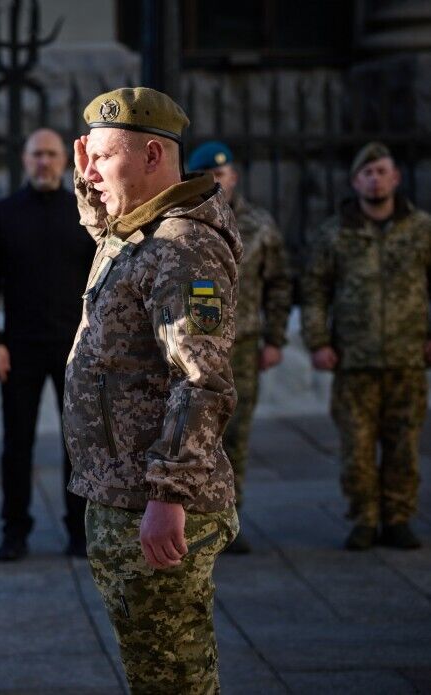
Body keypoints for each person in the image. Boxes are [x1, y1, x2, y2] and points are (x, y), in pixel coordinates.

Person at [66, 87, 242, 693]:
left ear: (149, 156)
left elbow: (202, 381)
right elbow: (109, 235)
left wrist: (168, 496)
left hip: (157, 502)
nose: (88, 172)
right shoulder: (138, 233)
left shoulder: (182, 248)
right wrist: (91, 182)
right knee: (151, 671)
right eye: (85, 158)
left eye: (102, 158)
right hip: (122, 490)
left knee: (174, 677)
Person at [0, 128, 97, 561]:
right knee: (16, 443)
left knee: (78, 443)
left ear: (64, 160)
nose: (43, 162)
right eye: (35, 155)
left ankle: (80, 532)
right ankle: (15, 531)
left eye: (51, 154)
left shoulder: (85, 212)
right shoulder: (4, 214)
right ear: (24, 160)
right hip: (19, 346)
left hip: (77, 347)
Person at [302, 141, 430, 551]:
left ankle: (398, 518)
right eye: (367, 173)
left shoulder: (421, 229)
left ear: (396, 178)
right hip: (353, 359)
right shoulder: (335, 232)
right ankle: (363, 518)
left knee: (403, 445)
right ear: (356, 181)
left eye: (382, 172)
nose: (375, 180)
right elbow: (316, 291)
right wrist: (318, 341)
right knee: (356, 448)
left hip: (408, 357)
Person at [187, 141, 292, 554]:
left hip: (244, 346)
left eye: (223, 174)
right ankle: (196, 523)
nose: (217, 182)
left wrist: (276, 338)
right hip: (195, 351)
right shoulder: (187, 222)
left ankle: (229, 521)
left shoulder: (259, 225)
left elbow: (281, 283)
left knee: (237, 438)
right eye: (207, 176)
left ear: (235, 176)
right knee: (194, 437)